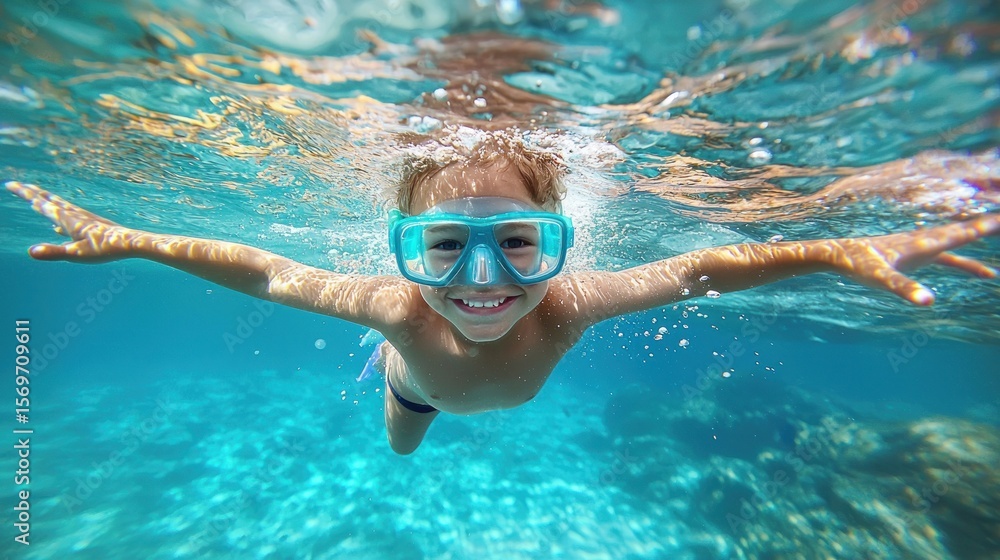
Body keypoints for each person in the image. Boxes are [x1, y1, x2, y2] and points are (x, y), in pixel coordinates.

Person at [7, 129, 999, 454]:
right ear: (405, 255)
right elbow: (264, 268)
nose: (482, 281)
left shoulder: (568, 302)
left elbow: (707, 266)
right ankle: (386, 395)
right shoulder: (402, 309)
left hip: (452, 375)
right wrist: (131, 239)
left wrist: (832, 250)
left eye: (521, 244)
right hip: (416, 385)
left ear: (559, 249)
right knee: (400, 449)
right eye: (443, 248)